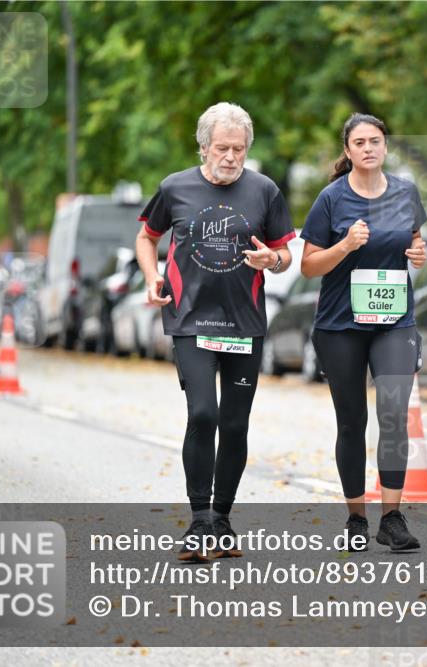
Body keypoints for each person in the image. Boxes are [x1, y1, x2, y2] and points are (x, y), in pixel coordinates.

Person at [135, 102, 295, 561]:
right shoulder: (175, 187)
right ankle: (199, 518)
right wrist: (151, 276)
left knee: (235, 422)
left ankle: (222, 520)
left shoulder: (264, 191)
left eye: (239, 149)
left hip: (244, 323)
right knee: (203, 413)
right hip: (190, 320)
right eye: (222, 148)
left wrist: (274, 261)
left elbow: (285, 255)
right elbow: (147, 236)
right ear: (204, 147)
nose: (231, 157)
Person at [300, 113, 427, 552]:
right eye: (360, 142)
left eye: (376, 140)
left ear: (385, 147)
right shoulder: (331, 199)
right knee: (352, 421)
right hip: (341, 325)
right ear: (349, 150)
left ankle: (391, 517)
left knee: (393, 414)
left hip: (394, 321)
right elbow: (308, 265)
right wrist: (345, 246)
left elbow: (413, 241)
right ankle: (356, 517)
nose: (369, 148)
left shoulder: (405, 193)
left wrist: (418, 252)